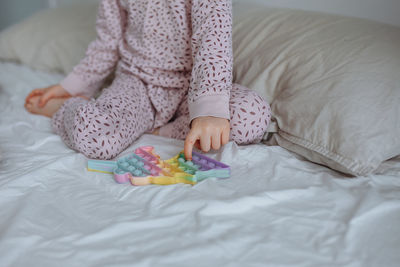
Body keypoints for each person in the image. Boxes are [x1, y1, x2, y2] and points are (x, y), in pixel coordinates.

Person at [25, 0, 271, 160]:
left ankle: (156, 130)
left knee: (253, 114)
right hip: (137, 83)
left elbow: (213, 40)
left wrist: (208, 111)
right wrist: (70, 86)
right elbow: (107, 43)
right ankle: (66, 108)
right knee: (96, 135)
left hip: (193, 88)